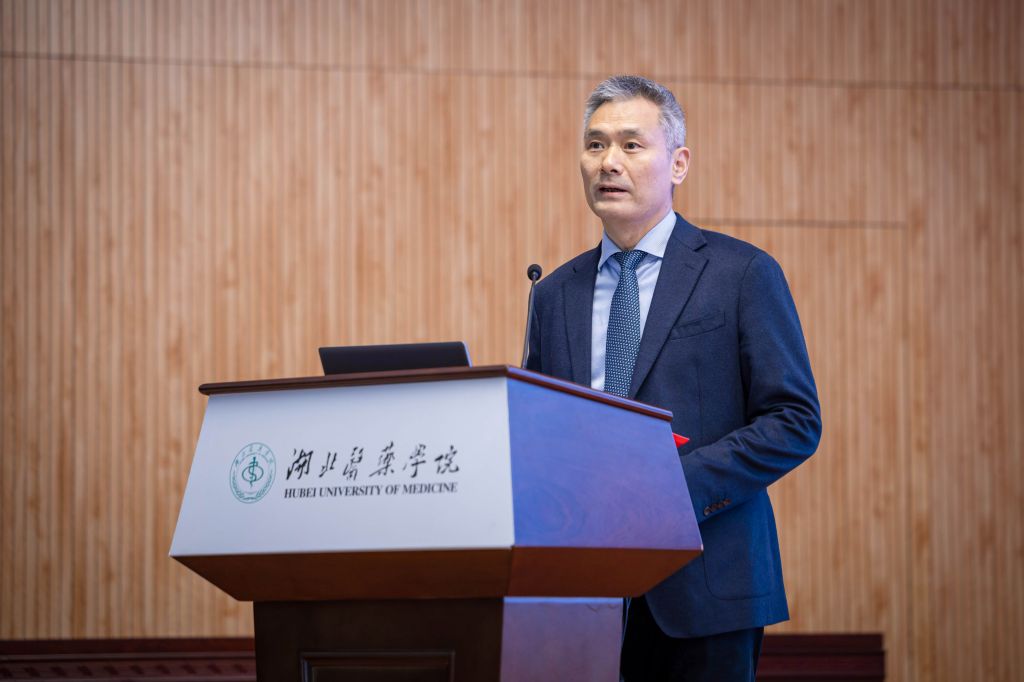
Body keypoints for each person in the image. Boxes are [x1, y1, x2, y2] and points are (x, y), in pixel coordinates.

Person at [525, 75, 822, 681]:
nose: (608, 162)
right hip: (582, 594)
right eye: (595, 145)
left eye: (631, 145)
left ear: (679, 163)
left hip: (707, 587)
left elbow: (794, 421)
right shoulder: (553, 294)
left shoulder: (741, 274)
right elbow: (541, 432)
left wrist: (665, 486)